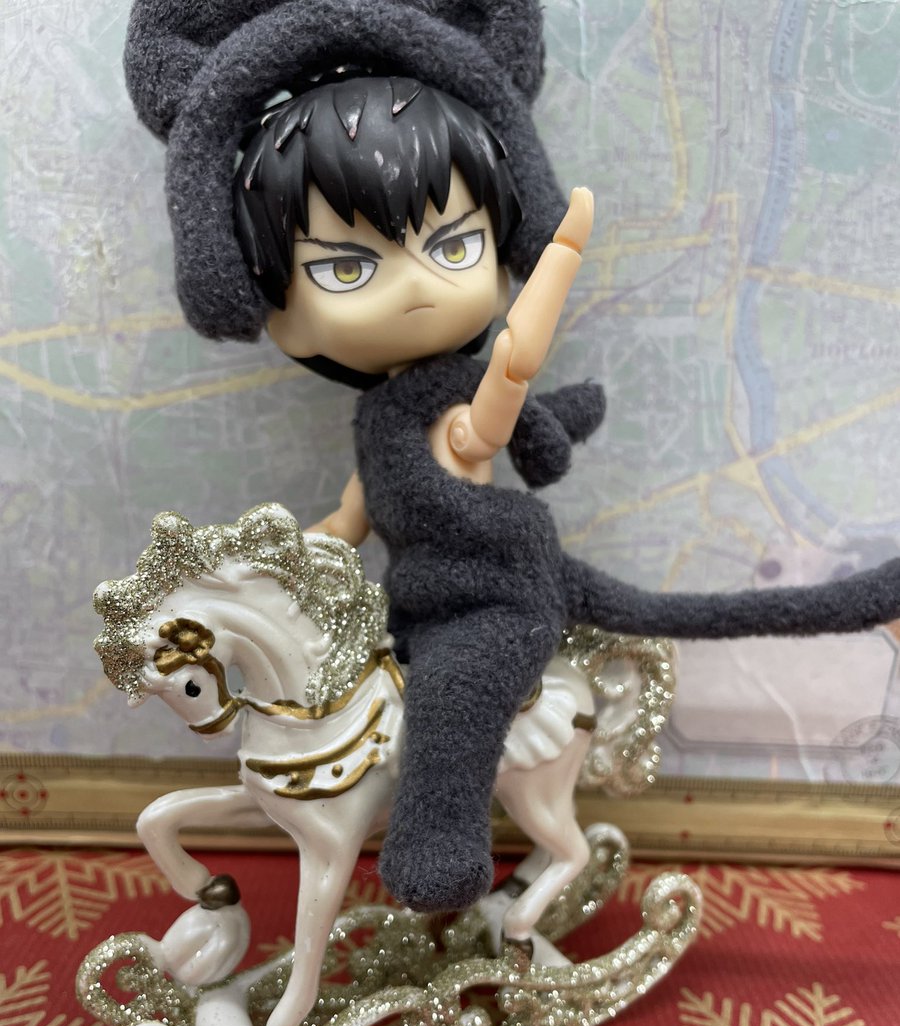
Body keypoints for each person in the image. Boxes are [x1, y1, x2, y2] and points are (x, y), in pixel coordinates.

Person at [231, 74, 900, 911]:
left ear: (500, 270)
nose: (413, 284)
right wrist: (276, 564)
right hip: (415, 605)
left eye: (452, 248)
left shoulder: (459, 414)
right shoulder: (380, 418)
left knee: (456, 690)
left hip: (497, 598)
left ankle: (442, 842)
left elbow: (509, 375)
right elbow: (350, 517)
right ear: (287, 319)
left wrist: (559, 263)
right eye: (347, 265)